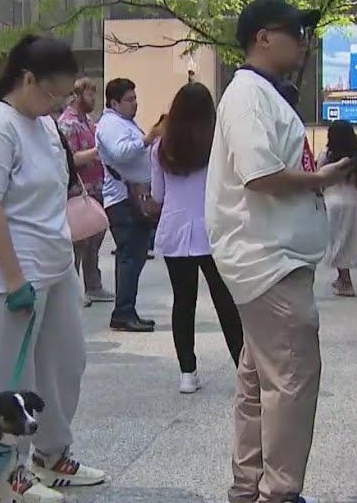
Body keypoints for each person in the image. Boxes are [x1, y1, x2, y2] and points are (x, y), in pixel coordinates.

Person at [206, 0, 354, 503]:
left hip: (268, 258)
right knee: (291, 379)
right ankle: (279, 493)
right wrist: (323, 177)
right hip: (269, 259)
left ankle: (250, 488)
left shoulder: (260, 94)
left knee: (259, 381)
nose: (304, 42)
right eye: (295, 31)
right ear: (262, 38)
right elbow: (261, 175)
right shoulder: (247, 95)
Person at [0, 35, 106, 501]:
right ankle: (5, 473)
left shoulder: (43, 125)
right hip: (13, 272)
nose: (58, 103)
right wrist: (13, 278)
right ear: (27, 80)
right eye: (52, 93)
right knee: (13, 378)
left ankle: (51, 455)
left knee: (65, 363)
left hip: (54, 264)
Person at [150, 82, 243, 394]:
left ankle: (187, 373)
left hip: (175, 231)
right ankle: (243, 367)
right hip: (213, 229)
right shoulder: (218, 145)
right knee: (225, 299)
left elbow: (157, 194)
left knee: (183, 301)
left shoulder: (161, 147)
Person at [95, 77, 159, 332]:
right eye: (129, 100)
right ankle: (123, 312)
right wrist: (148, 138)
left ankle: (127, 309)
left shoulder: (124, 122)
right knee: (129, 257)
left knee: (136, 255)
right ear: (114, 102)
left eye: (135, 99)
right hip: (123, 199)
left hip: (134, 197)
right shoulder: (110, 124)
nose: (135, 104)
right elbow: (121, 153)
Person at [57, 78, 113, 306]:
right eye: (90, 95)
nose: (94, 100)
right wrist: (97, 151)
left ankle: (94, 285)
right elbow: (69, 158)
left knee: (94, 239)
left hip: (95, 189)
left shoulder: (89, 121)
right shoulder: (68, 123)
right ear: (78, 95)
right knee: (78, 242)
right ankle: (74, 290)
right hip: (78, 191)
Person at [318, 120, 357, 296]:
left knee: (337, 242)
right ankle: (343, 280)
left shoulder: (326, 156)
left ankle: (346, 282)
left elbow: (320, 178)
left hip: (333, 201)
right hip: (352, 201)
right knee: (347, 242)